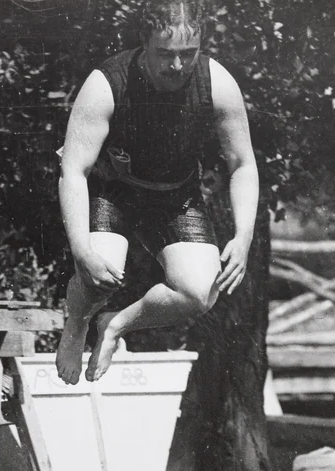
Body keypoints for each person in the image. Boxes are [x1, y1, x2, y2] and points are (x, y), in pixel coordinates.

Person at [55, 0, 258, 385]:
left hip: (175, 195)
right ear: (143, 44)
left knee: (201, 291)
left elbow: (243, 164)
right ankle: (78, 323)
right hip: (111, 189)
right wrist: (81, 250)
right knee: (100, 272)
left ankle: (114, 324)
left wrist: (244, 235)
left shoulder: (218, 83)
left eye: (188, 54)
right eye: (165, 54)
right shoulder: (106, 82)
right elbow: (74, 170)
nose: (177, 66)